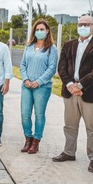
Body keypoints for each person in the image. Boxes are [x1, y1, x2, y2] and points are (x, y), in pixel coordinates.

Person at [54, 15, 93, 172]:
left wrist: (81, 85)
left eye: (86, 24)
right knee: (70, 125)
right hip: (70, 92)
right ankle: (68, 152)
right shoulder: (69, 44)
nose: (83, 27)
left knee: (92, 128)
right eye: (80, 24)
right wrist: (71, 85)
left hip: (90, 93)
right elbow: (62, 67)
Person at [20, 19, 58, 154]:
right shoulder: (29, 47)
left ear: (47, 31)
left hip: (42, 87)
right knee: (25, 114)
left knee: (39, 114)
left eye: (42, 29)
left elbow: (52, 68)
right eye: (37, 29)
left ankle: (36, 141)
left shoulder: (51, 49)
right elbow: (23, 65)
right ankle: (28, 139)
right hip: (26, 86)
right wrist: (25, 80)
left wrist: (39, 81)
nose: (39, 32)